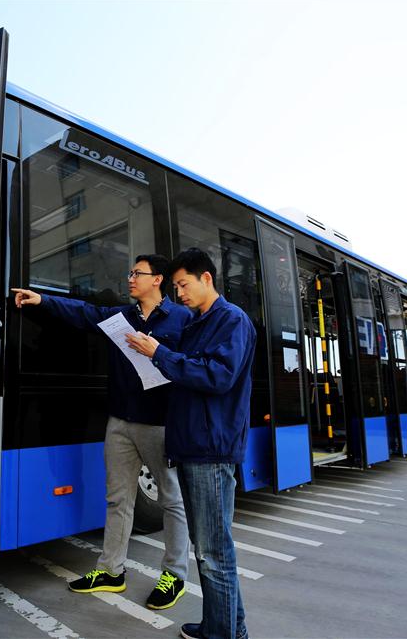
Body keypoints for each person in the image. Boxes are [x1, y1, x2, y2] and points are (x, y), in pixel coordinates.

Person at [12, 255, 191, 610]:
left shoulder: (182, 319)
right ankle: (111, 571)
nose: (130, 279)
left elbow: (192, 367)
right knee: (117, 499)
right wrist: (43, 300)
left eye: (137, 274)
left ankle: (175, 575)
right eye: (129, 273)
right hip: (121, 421)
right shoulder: (121, 316)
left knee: (171, 500)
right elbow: (83, 312)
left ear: (157, 280)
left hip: (160, 422)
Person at [126, 247, 256, 639]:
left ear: (207, 279)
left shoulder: (231, 320)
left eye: (183, 284)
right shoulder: (199, 322)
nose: (179, 292)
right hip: (192, 445)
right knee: (209, 549)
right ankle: (226, 627)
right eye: (176, 285)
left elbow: (219, 376)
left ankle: (223, 633)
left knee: (214, 552)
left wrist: (161, 353)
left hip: (210, 449)